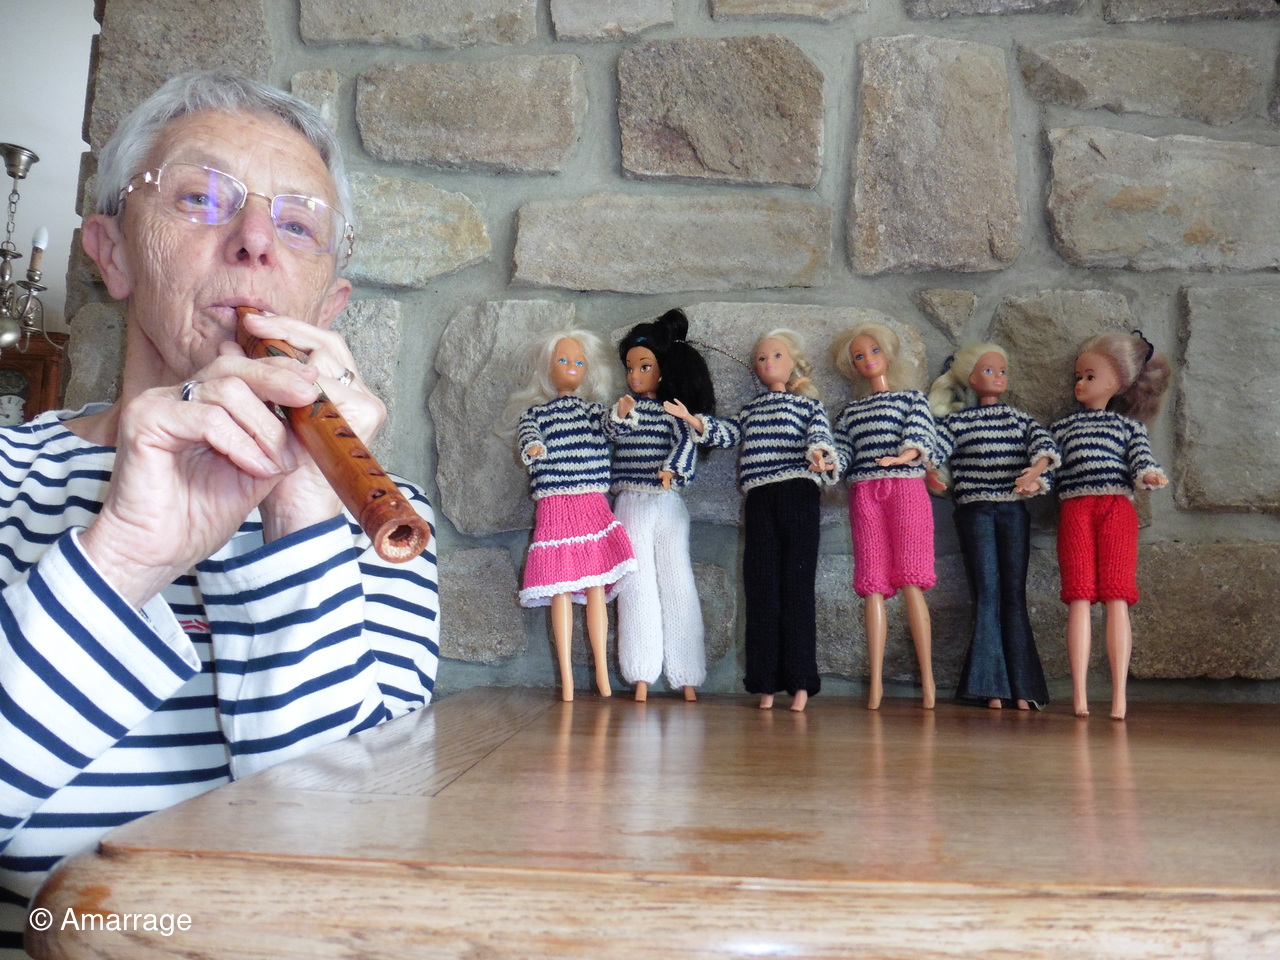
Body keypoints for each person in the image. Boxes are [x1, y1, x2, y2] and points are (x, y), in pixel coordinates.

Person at [0, 71, 440, 955]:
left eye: (298, 224)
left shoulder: (385, 521)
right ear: (113, 254)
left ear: (327, 303)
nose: (254, 241)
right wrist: (123, 561)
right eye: (201, 198)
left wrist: (303, 522)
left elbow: (342, 867)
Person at [672, 330, 837, 712]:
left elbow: (821, 437)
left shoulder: (809, 406)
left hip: (799, 494)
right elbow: (728, 432)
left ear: (794, 362)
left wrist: (820, 455)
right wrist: (695, 421)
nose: (768, 364)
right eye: (761, 359)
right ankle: (765, 682)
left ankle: (800, 681)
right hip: (760, 499)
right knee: (761, 587)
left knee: (797, 587)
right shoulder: (751, 411)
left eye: (776, 356)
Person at [502, 329, 636, 701]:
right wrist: (533, 446)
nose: (571, 366)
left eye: (578, 361)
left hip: (591, 502)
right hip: (555, 504)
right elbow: (528, 436)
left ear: (588, 369)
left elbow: (611, 427)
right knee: (559, 584)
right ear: (547, 368)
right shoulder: (537, 414)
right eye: (563, 360)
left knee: (595, 586)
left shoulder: (593, 412)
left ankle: (603, 677)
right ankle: (567, 679)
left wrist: (621, 414)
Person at [929, 342, 1058, 711]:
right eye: (988, 370)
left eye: (1002, 371)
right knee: (986, 593)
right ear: (970, 378)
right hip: (976, 511)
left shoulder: (1019, 419)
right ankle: (989, 685)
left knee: (1013, 593)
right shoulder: (958, 423)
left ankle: (1023, 686)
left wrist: (1036, 473)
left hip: (1013, 511)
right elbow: (934, 450)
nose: (998, 377)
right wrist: (930, 472)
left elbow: (1045, 445)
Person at [1051, 331, 1169, 721]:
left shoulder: (1128, 428)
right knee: (1078, 595)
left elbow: (1141, 459)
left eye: (1090, 376)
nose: (1080, 384)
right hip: (1075, 511)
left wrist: (1148, 474)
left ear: (1117, 382)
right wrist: (1036, 479)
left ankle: (1119, 696)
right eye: (1079, 377)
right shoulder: (1063, 429)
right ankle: (1080, 694)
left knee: (1117, 595)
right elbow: (1050, 465)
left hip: (1116, 510)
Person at [830, 322, 939, 711]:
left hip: (906, 488)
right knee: (872, 581)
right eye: (859, 356)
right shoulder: (851, 412)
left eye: (873, 351)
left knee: (911, 578)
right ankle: (875, 684)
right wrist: (829, 461)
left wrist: (906, 455)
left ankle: (928, 681)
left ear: (888, 353)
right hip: (865, 493)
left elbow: (922, 434)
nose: (868, 360)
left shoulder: (911, 400)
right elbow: (843, 449)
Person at [611, 308, 717, 702]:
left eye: (644, 367)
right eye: (630, 368)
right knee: (635, 584)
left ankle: (687, 672)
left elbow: (685, 442)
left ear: (663, 371)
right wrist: (618, 417)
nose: (634, 376)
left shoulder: (673, 412)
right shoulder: (626, 408)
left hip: (668, 502)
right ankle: (640, 672)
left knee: (677, 581)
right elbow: (610, 430)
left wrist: (674, 469)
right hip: (631, 501)